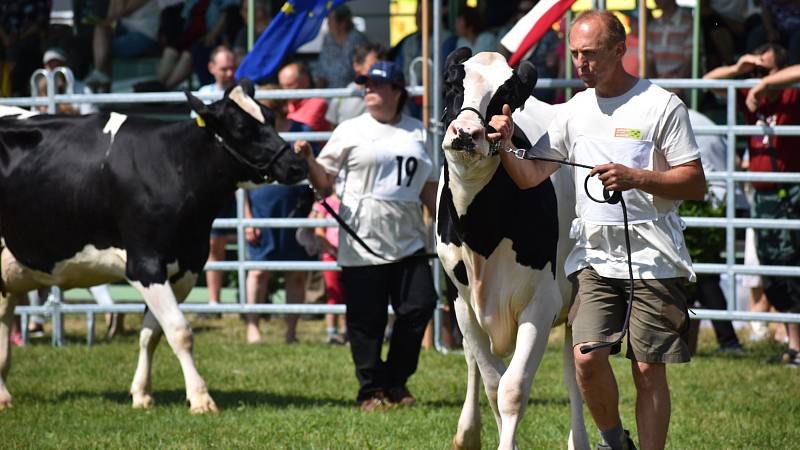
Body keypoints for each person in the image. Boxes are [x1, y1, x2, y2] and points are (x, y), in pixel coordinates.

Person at [489, 11, 706, 450]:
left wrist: (637, 177)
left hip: (654, 256)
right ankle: (614, 442)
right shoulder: (573, 111)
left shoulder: (662, 105)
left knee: (647, 369)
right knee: (586, 358)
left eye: (589, 53)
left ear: (619, 50)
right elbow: (530, 174)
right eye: (574, 54)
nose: (580, 63)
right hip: (594, 258)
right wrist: (506, 142)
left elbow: (696, 183)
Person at [295, 61, 438, 411]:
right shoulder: (349, 130)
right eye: (366, 84)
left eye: (377, 83)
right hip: (361, 238)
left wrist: (448, 226)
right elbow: (324, 181)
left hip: (409, 238)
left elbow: (430, 190)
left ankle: (395, 379)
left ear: (397, 91)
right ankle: (370, 389)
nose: (368, 89)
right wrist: (309, 159)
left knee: (420, 304)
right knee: (366, 319)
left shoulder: (419, 133)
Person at [704, 49, 800, 367]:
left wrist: (764, 84)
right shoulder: (748, 89)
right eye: (756, 72)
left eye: (766, 70)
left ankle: (796, 346)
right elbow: (707, 82)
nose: (758, 78)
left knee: (792, 268)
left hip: (791, 192)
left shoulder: (788, 91)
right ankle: (793, 345)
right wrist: (737, 66)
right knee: (775, 271)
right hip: (762, 195)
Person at [242, 89, 316, 344]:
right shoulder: (252, 135)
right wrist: (247, 217)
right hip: (262, 206)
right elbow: (241, 178)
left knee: (296, 273)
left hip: (297, 206)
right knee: (259, 271)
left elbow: (315, 170)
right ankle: (253, 328)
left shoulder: (303, 130)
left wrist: (314, 211)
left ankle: (291, 332)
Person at [681, 109, 745, 354]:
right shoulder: (700, 118)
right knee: (699, 275)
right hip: (716, 201)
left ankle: (728, 342)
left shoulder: (683, 119)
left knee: (701, 276)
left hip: (706, 204)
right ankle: (725, 341)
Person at [193, 46, 237, 315]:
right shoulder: (202, 97)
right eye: (224, 68)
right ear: (211, 68)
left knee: (223, 241)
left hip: (235, 179)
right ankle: (213, 301)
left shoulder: (241, 96)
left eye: (232, 67)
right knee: (211, 242)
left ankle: (245, 301)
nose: (229, 72)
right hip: (210, 179)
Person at [84, 0, 161, 90]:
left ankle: (102, 82)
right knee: (100, 30)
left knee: (103, 48)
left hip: (145, 36)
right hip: (126, 30)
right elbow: (110, 19)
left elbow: (124, 11)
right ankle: (99, 73)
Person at [309, 192, 347, 345]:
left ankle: (346, 331)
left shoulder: (352, 201)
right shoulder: (324, 203)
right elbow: (319, 231)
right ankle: (331, 331)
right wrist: (332, 251)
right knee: (334, 293)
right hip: (330, 255)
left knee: (349, 294)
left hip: (350, 255)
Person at [325, 42, 386, 127]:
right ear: (357, 66)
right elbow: (332, 129)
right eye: (374, 66)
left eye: (384, 66)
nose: (380, 72)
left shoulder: (391, 95)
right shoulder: (341, 97)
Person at [315, 4, 367, 89]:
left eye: (331, 19)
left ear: (343, 23)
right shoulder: (328, 39)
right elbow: (321, 72)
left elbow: (362, 70)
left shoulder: (357, 39)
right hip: (329, 93)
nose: (328, 23)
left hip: (351, 93)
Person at [647, 0, 693, 80]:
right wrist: (655, 85)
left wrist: (678, 86)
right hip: (660, 85)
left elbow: (690, 58)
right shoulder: (653, 25)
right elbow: (649, 59)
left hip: (682, 87)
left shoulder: (689, 23)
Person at [278, 62, 330, 132]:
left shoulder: (318, 103)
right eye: (282, 86)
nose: (285, 90)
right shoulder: (286, 104)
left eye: (290, 85)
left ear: (305, 81)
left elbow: (300, 129)